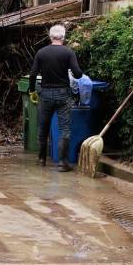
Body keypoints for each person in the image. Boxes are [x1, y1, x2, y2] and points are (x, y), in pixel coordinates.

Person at [29, 23, 83, 172]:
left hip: (45, 94)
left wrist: (32, 90)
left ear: (50, 37)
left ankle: (41, 160)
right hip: (63, 95)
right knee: (64, 129)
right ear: (63, 38)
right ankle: (62, 163)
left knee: (43, 127)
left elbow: (33, 74)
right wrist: (77, 72)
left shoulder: (41, 52)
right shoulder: (68, 52)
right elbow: (78, 74)